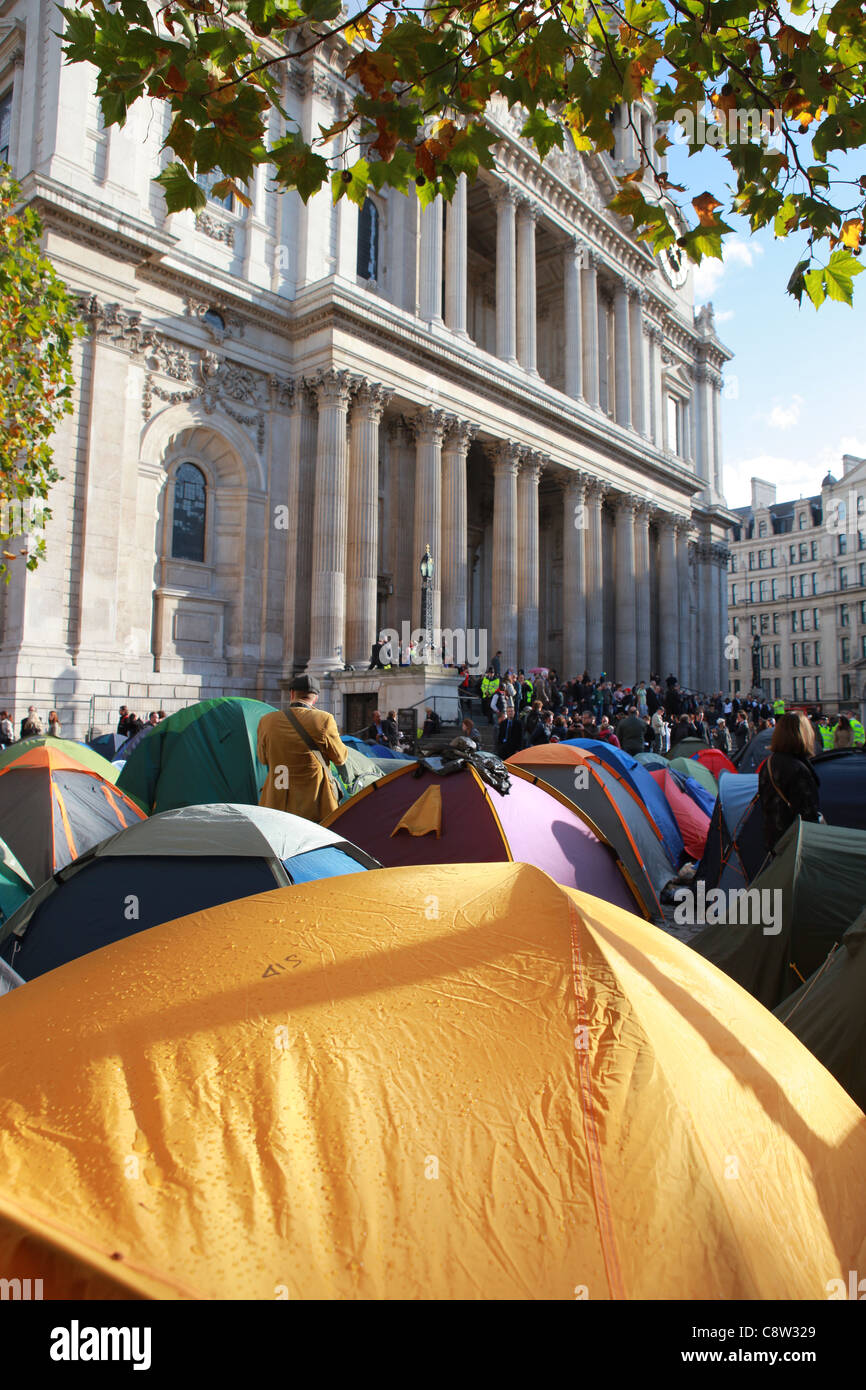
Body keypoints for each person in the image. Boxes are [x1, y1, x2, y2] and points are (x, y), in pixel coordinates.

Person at [257, 674, 348, 824]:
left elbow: (262, 758)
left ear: (291, 694)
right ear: (315, 698)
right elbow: (340, 758)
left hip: (276, 802)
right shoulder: (324, 719)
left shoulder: (267, 720)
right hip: (314, 805)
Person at [758, 712, 820, 855]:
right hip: (796, 846)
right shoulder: (797, 769)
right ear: (803, 734)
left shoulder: (768, 763)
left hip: (775, 841)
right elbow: (808, 814)